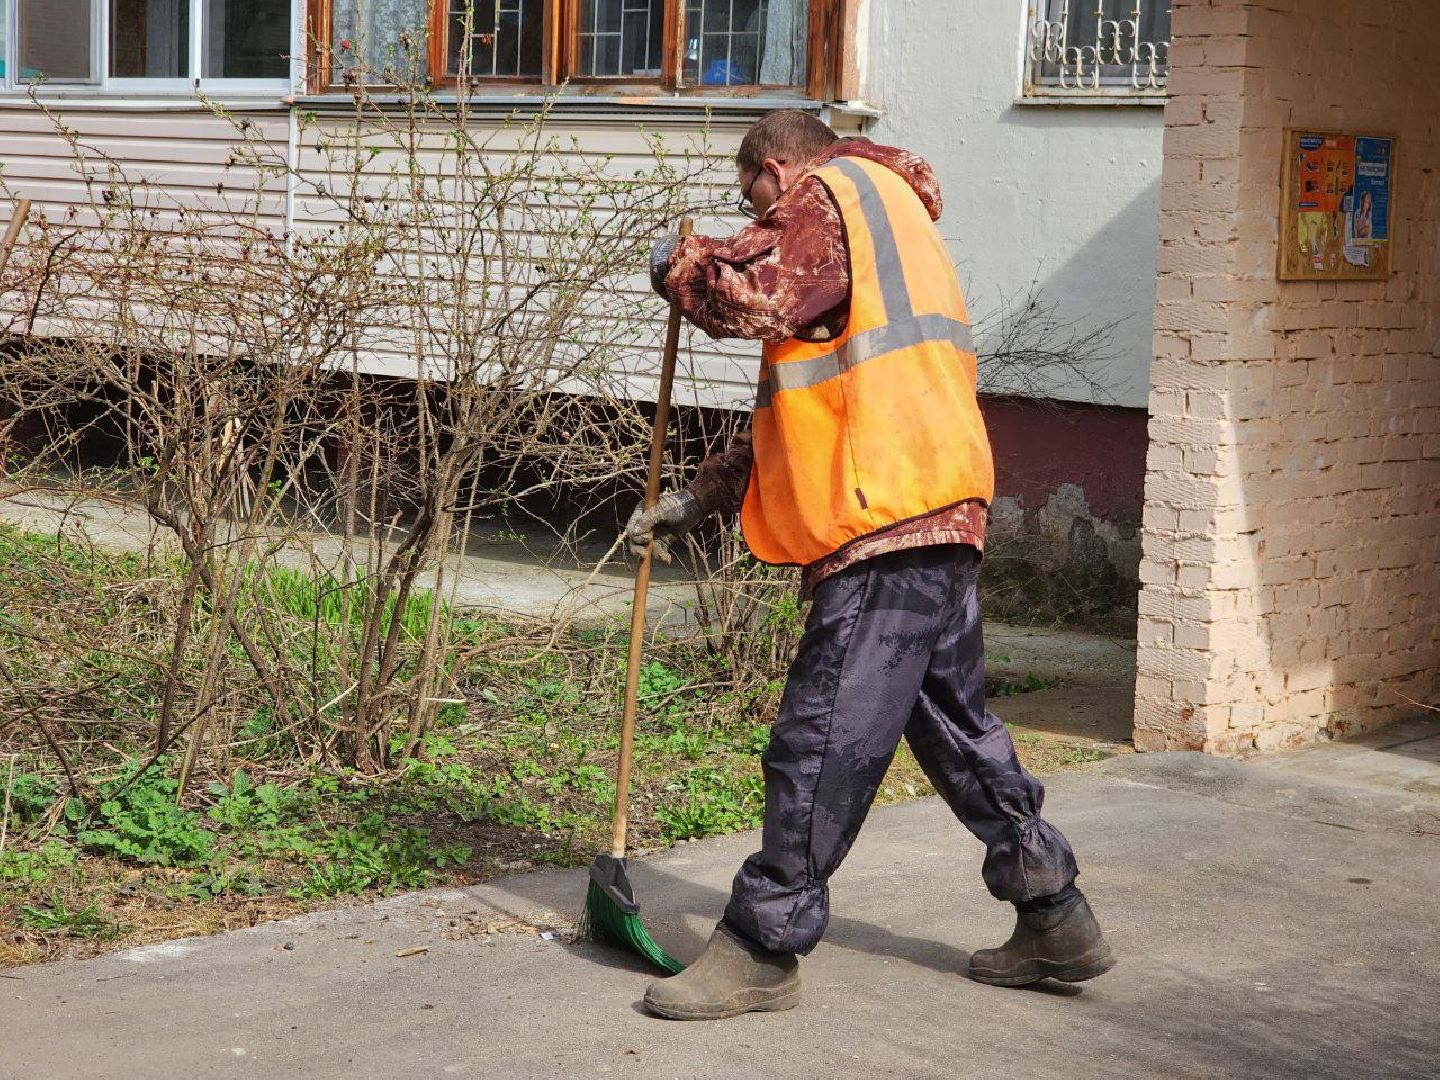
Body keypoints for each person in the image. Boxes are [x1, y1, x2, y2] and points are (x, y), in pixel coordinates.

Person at [626, 110, 1113, 1022]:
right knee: (956, 729)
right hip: (934, 506)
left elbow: (753, 296)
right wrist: (704, 496)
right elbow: (798, 402)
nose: (757, 216)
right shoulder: (885, 216)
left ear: (777, 169)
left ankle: (763, 946)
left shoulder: (832, 193)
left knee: (823, 736)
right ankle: (1053, 912)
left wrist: (680, 266)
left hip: (883, 514)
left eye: (752, 199)